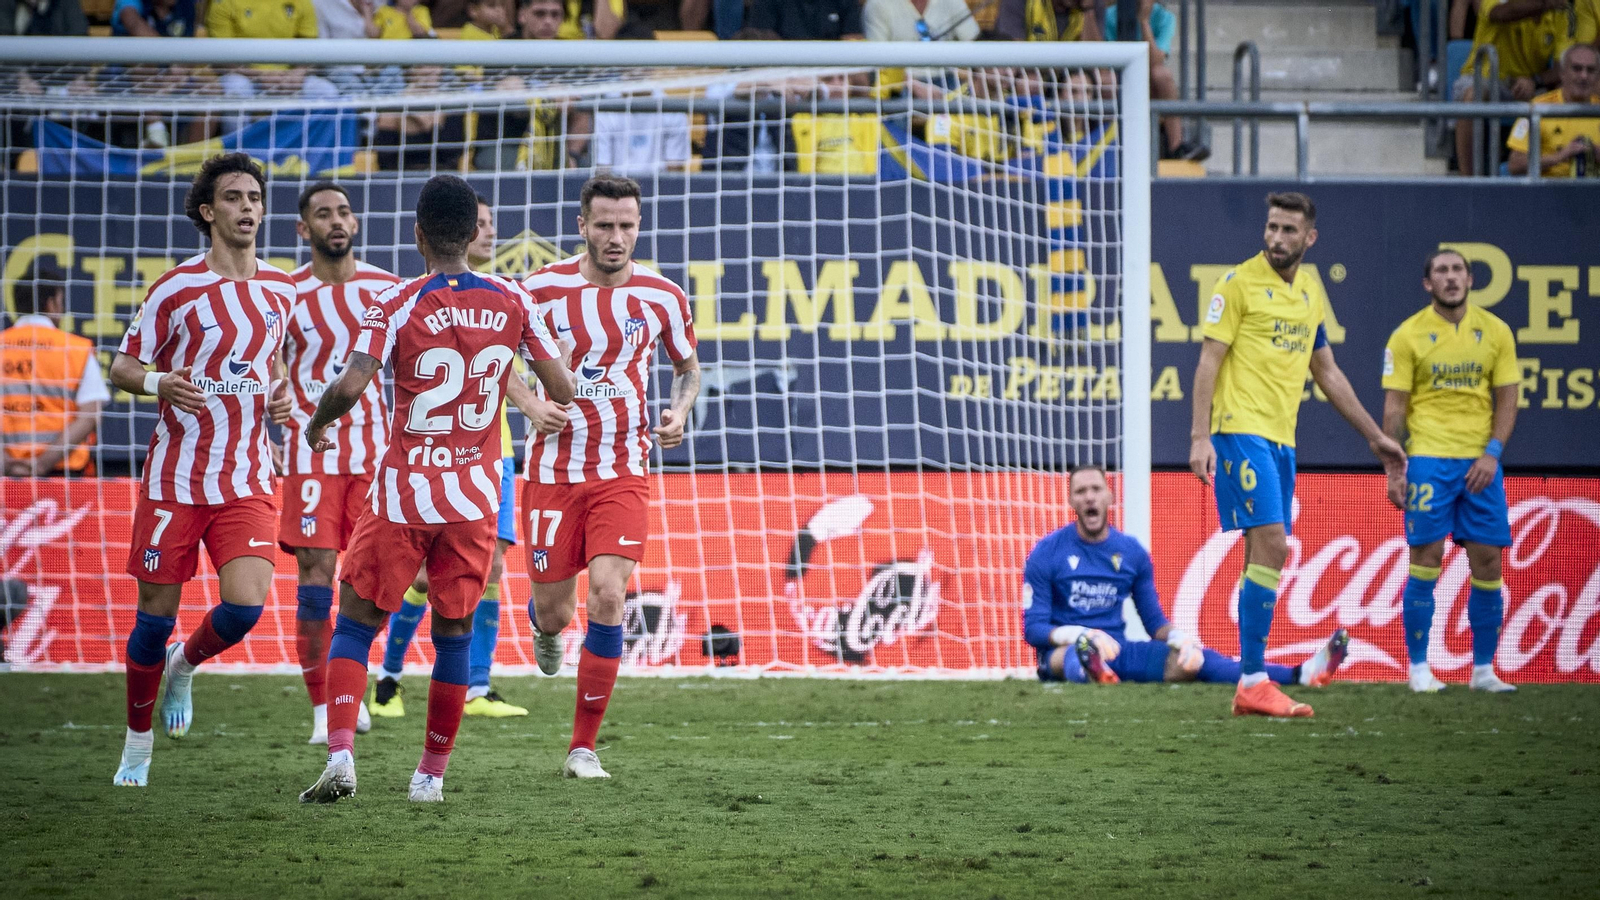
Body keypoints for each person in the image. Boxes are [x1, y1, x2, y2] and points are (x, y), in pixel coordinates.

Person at [299, 174, 574, 804]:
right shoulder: (514, 301)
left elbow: (349, 385)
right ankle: (430, 778)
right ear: (474, 232)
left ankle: (342, 755)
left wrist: (317, 426)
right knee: (453, 631)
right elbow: (560, 390)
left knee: (355, 624)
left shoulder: (396, 301)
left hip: (402, 493)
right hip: (475, 495)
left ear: (418, 233)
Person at [106, 153, 297, 787]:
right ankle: (137, 748)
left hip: (245, 479)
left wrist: (282, 394)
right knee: (151, 621)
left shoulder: (282, 288)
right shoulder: (175, 287)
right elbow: (123, 368)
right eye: (235, 198)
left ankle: (184, 666)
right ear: (208, 212)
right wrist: (162, 381)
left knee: (245, 609)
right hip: (174, 480)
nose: (248, 207)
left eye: (255, 197)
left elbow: (272, 366)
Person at [1188, 191, 1406, 718]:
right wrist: (1199, 436)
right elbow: (1208, 362)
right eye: (1271, 227)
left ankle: (1248, 682)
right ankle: (1256, 679)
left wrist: (1376, 437)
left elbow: (1327, 372)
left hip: (1282, 440)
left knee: (1262, 554)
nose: (1277, 238)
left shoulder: (1309, 292)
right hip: (1240, 430)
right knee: (1274, 544)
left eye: (1289, 230)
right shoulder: (1237, 284)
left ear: (1310, 238)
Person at [520, 175, 700, 779]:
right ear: (582, 226)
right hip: (550, 470)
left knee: (609, 594)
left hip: (623, 468)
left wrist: (680, 409)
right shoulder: (538, 290)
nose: (616, 237)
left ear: (639, 226)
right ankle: (543, 624)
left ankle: (582, 748)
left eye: (626, 225)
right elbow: (490, 364)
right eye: (604, 225)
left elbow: (688, 369)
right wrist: (530, 404)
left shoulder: (663, 296)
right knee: (556, 613)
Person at [372, 197, 537, 720]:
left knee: (491, 569)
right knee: (423, 577)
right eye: (480, 225)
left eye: (492, 225)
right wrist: (535, 401)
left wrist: (532, 405)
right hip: (428, 457)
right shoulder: (420, 302)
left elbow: (501, 370)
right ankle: (389, 679)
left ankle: (477, 687)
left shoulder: (506, 301)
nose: (487, 234)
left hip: (494, 457)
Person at [1025, 466, 1349, 688]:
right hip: (1063, 653)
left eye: (1096, 489)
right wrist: (1083, 635)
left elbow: (1154, 623)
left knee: (1192, 662)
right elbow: (1034, 629)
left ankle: (1301, 674)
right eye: (1081, 491)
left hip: (1118, 650)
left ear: (1109, 496)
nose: (1089, 497)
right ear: (1071, 501)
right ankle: (1090, 668)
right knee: (1077, 656)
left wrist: (1180, 638)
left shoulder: (1131, 553)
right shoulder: (1047, 552)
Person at [281, 182, 398, 742]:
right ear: (304, 229)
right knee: (315, 580)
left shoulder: (386, 289)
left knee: (373, 583)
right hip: (311, 458)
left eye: (344, 212)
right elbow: (266, 358)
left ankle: (354, 675)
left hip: (377, 459)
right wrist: (278, 393)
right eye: (323, 214)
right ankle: (323, 706)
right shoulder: (286, 293)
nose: (336, 221)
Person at [1382, 249, 1521, 693]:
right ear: (1428, 284)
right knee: (1426, 559)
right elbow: (1394, 408)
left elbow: (1508, 397)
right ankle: (1419, 669)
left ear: (1470, 279)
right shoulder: (1407, 336)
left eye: (1457, 270)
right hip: (1427, 460)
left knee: (1488, 561)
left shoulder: (1496, 332)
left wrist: (1492, 453)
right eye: (1441, 271)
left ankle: (1483, 671)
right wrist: (1394, 468)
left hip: (1481, 463)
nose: (1450, 278)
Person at [1, 261, 109, 477]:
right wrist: (42, 464)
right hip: (65, 475)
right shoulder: (76, 349)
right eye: (60, 302)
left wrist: (6, 463)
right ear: (51, 304)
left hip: (5, 474)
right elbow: (90, 415)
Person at [1451, 0, 1581, 175]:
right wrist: (1544, 4)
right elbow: (1500, 13)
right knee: (1473, 95)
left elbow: (1562, 69)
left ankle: (1564, 172)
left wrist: (1535, 81)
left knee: (1568, 90)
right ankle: (1468, 181)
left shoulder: (1561, 12)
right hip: (1487, 77)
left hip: (1529, 83)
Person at [1507, 44, 1600, 176]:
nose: (1584, 76)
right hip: (1550, 192)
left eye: (1590, 70)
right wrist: (1560, 157)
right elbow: (1515, 165)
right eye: (1577, 68)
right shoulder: (1537, 108)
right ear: (1562, 73)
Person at [863, 0, 980, 41]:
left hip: (948, 78)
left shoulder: (952, 1)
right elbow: (878, 64)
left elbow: (973, 42)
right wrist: (914, 85)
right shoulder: (877, 4)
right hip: (900, 85)